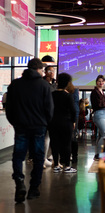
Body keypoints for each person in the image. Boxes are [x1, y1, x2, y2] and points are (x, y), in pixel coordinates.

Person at [6, 58, 53, 202]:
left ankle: (20, 181)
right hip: (39, 126)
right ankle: (33, 188)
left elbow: (9, 107)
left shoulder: (15, 84)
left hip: (21, 126)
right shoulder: (44, 86)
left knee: (18, 155)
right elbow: (49, 109)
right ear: (39, 70)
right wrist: (46, 123)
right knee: (39, 157)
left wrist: (15, 122)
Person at [48, 73, 77, 173]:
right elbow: (73, 111)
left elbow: (48, 109)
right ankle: (67, 166)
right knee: (66, 144)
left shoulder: (51, 95)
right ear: (67, 83)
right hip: (66, 122)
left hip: (53, 123)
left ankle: (56, 165)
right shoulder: (68, 96)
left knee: (54, 143)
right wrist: (73, 121)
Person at [90, 75, 105, 160]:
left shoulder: (102, 91)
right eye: (99, 81)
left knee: (101, 135)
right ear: (96, 82)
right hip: (99, 114)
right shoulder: (94, 92)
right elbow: (98, 104)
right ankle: (98, 154)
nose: (101, 83)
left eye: (102, 81)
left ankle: (98, 154)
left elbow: (103, 103)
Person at [66, 82, 80, 164]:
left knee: (72, 136)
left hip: (72, 115)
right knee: (69, 137)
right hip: (66, 115)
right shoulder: (61, 91)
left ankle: (74, 156)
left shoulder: (74, 91)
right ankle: (68, 156)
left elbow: (75, 105)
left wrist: (74, 119)